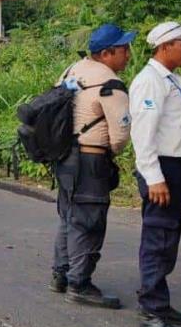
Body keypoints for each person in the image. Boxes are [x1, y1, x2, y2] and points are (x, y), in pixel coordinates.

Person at [129, 21, 181, 327]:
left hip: (176, 167)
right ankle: (152, 311)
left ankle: (160, 302)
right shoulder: (149, 82)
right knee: (158, 238)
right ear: (165, 46)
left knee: (168, 237)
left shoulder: (171, 80)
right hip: (161, 168)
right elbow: (142, 135)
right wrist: (153, 176)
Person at [51, 23, 134, 308]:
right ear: (108, 53)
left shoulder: (72, 70)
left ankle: (60, 274)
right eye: (124, 49)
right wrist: (110, 152)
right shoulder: (110, 84)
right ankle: (80, 283)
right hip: (91, 159)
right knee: (89, 221)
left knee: (69, 216)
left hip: (64, 158)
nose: (129, 55)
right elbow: (121, 135)